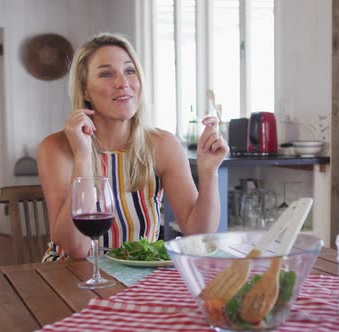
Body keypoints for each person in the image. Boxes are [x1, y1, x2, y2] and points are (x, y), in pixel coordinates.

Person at [38, 33, 228, 261]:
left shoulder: (163, 145)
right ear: (85, 90)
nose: (123, 83)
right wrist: (83, 156)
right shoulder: (56, 148)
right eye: (106, 74)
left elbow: (198, 233)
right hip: (72, 276)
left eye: (129, 71)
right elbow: (76, 249)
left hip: (140, 275)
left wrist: (208, 173)